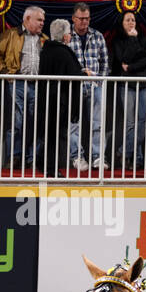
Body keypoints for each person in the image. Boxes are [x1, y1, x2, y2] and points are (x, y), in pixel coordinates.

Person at [0, 4, 45, 170]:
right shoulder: (10, 35)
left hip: (37, 85)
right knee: (16, 122)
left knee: (36, 123)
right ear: (27, 19)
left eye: (43, 20)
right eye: (39, 20)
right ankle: (14, 157)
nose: (42, 23)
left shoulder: (44, 39)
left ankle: (32, 157)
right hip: (17, 83)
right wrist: (6, 72)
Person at [109, 10, 146, 172]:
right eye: (128, 20)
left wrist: (132, 67)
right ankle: (134, 158)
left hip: (143, 84)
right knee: (130, 123)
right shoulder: (118, 40)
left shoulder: (142, 38)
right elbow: (124, 59)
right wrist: (132, 40)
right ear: (122, 23)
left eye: (133, 20)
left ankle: (123, 152)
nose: (131, 23)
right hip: (127, 85)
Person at [38, 19, 85, 176]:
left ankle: (42, 161)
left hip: (46, 99)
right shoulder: (64, 52)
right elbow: (74, 75)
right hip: (60, 101)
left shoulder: (46, 50)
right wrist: (85, 73)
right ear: (65, 36)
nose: (70, 35)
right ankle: (51, 169)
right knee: (56, 136)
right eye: (69, 33)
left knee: (50, 135)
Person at [68, 2, 109, 171]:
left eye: (87, 19)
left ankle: (97, 156)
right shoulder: (66, 36)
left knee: (98, 123)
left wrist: (100, 81)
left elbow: (105, 62)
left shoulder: (97, 35)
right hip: (74, 86)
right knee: (74, 124)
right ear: (73, 18)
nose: (84, 22)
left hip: (95, 85)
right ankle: (77, 156)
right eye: (81, 19)